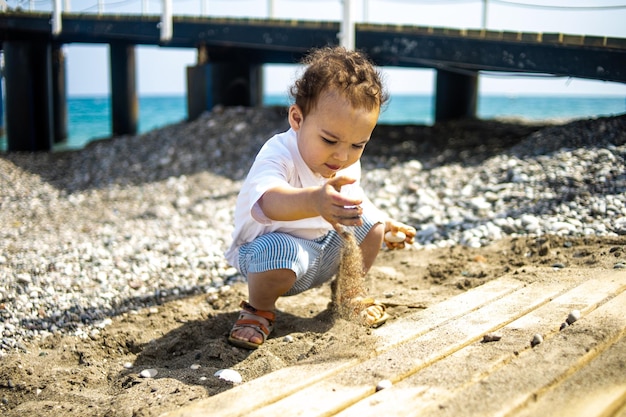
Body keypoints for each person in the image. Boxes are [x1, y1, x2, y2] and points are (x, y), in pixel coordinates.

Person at [224, 46, 416, 349]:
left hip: (323, 252)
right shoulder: (278, 153)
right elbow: (268, 201)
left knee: (373, 224)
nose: (342, 155)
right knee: (279, 248)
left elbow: (354, 202)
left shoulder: (344, 159)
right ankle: (259, 309)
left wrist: (385, 225)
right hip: (271, 258)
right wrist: (314, 201)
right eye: (329, 140)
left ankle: (348, 294)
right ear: (297, 119)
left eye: (358, 144)